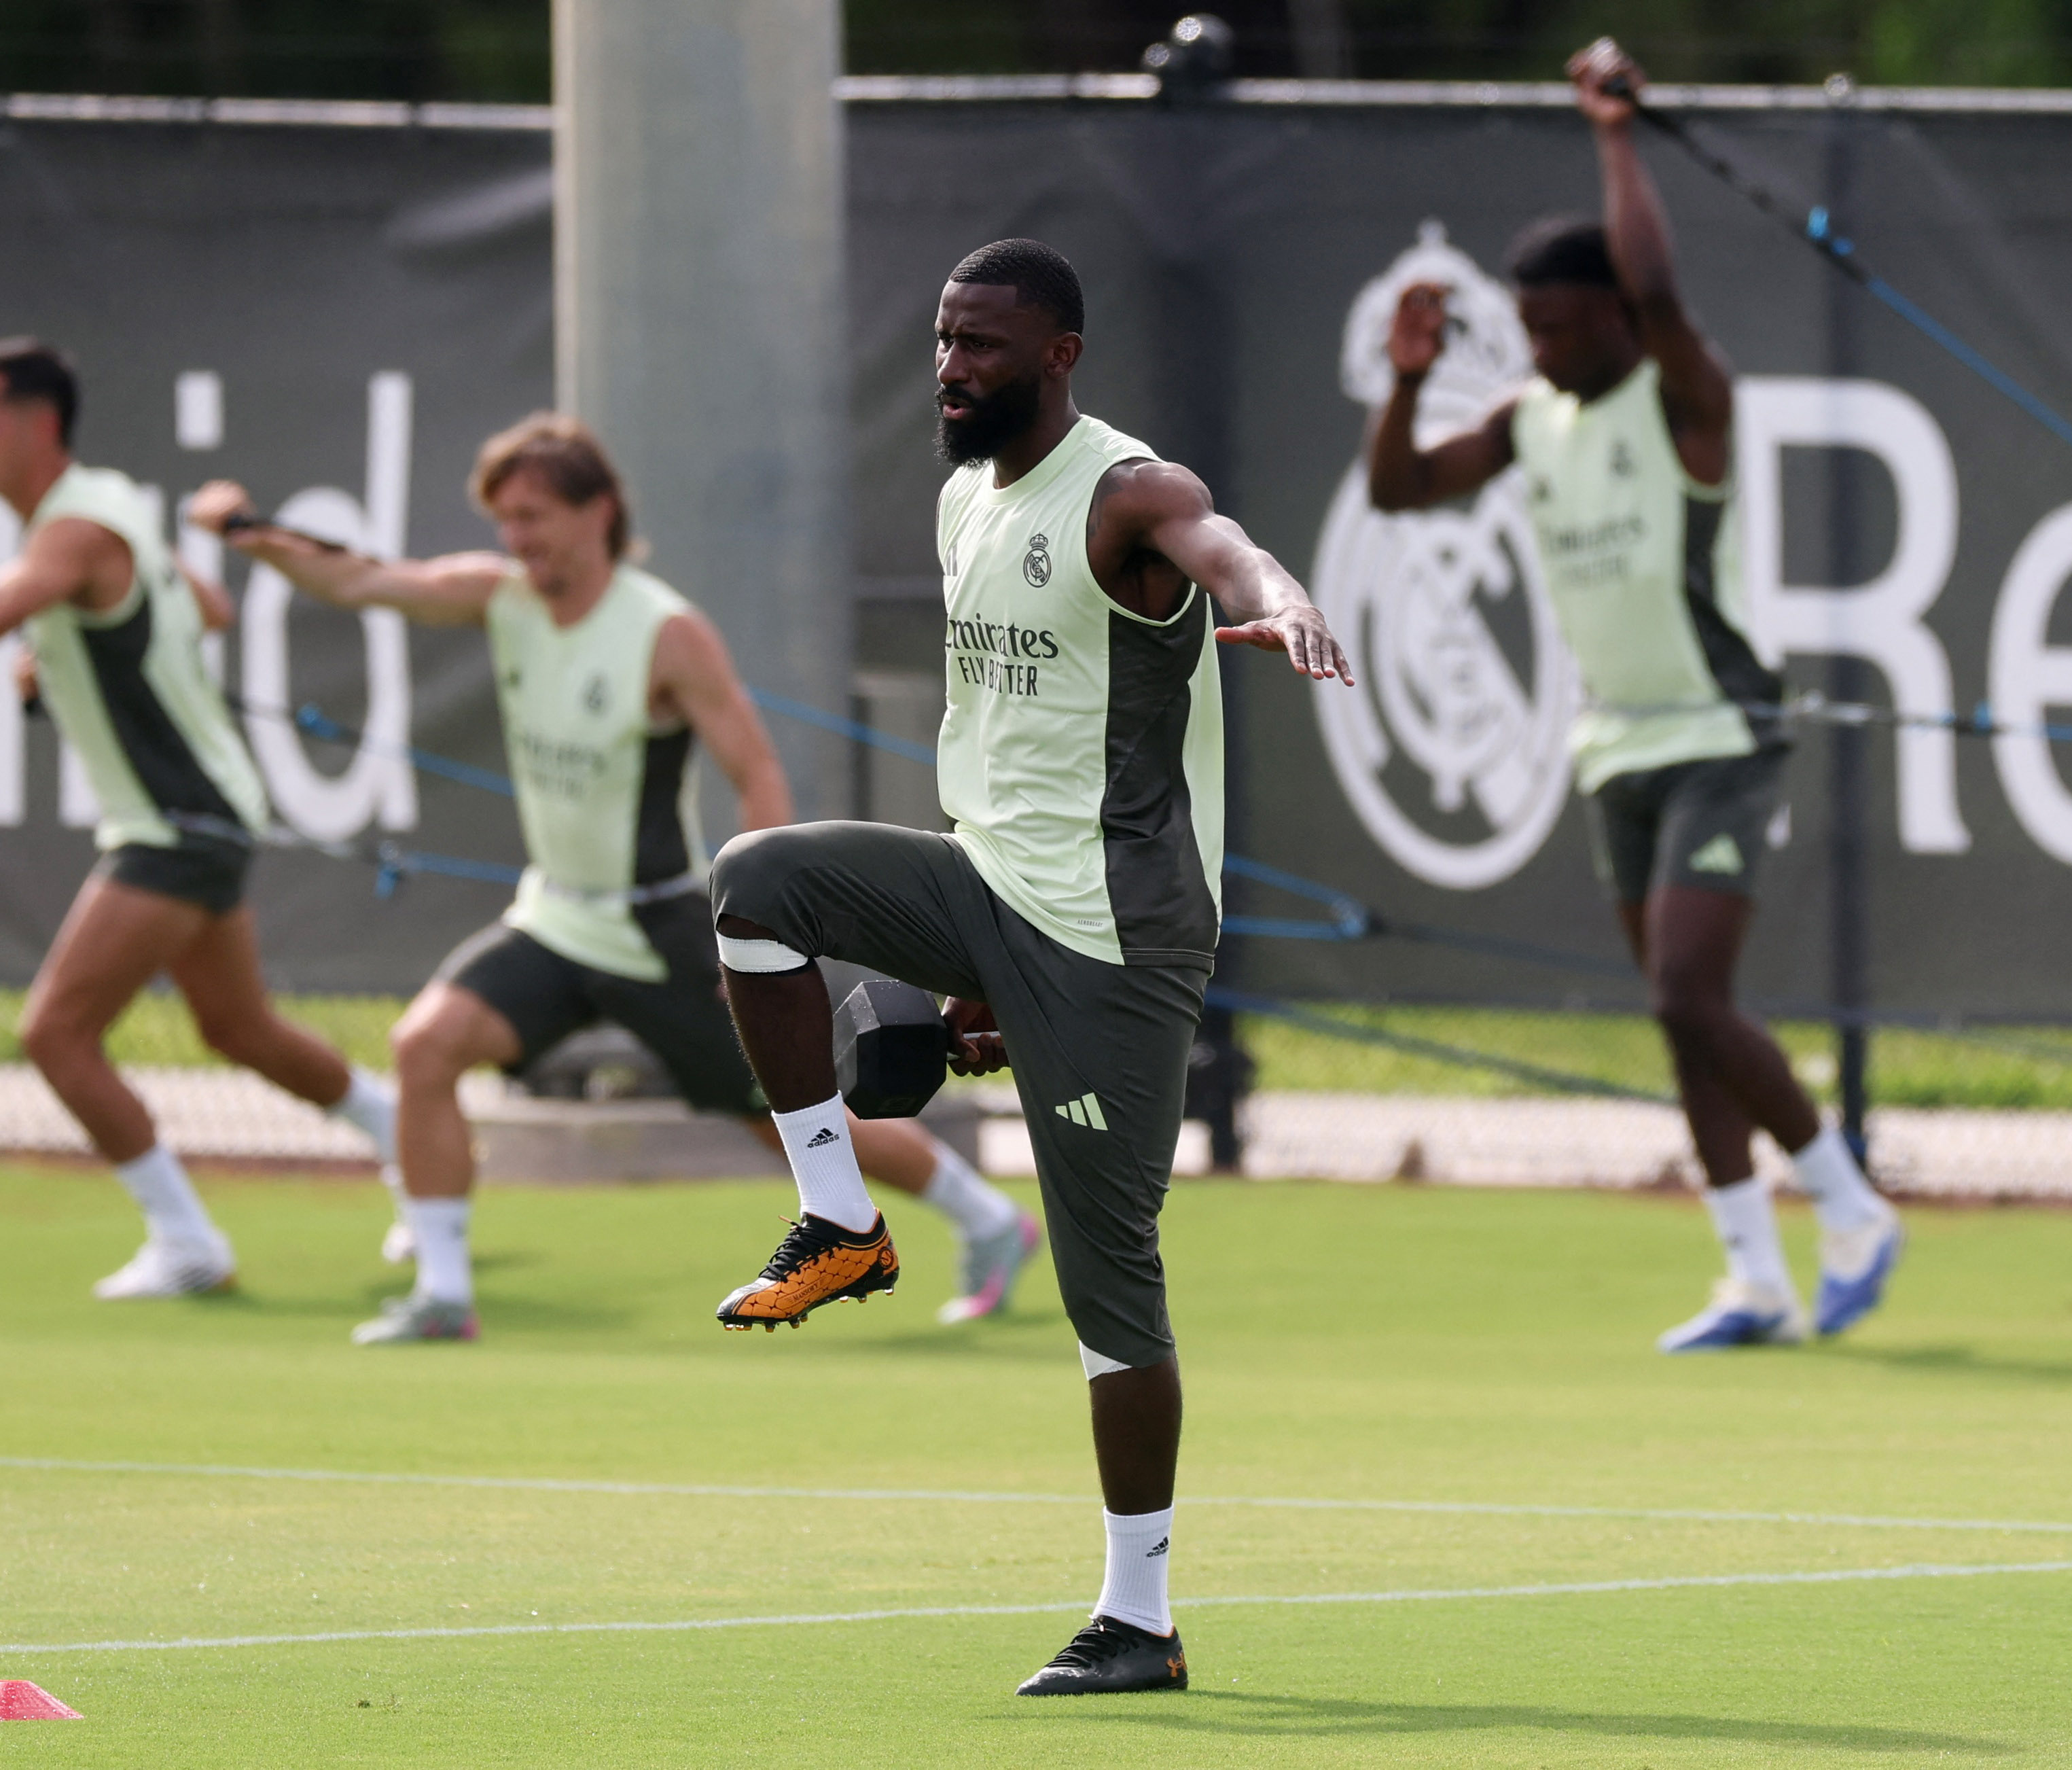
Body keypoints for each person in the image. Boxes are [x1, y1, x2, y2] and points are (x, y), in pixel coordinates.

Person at [708, 238, 1349, 1695]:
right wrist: (968, 956)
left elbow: (1220, 540)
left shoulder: (1124, 491)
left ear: (1059, 354)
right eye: (942, 339)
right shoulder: (958, 500)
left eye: (984, 345)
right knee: (755, 886)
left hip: (1116, 937)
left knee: (1108, 1281)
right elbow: (1009, 740)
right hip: (991, 882)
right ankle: (839, 1219)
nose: (951, 367)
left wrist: (1288, 597)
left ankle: (1141, 1618)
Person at [187, 412, 1036, 1345]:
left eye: (535, 515)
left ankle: (990, 1221)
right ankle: (441, 1293)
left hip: (659, 930)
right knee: (424, 1046)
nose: (517, 538)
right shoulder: (500, 595)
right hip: (554, 919)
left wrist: (762, 935)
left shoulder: (664, 631)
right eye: (505, 519)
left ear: (598, 512)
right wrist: (244, 530)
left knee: (787, 1115)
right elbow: (358, 578)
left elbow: (755, 771)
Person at [1363, 39, 1904, 1353]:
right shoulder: (1528, 420)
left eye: (1562, 324)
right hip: (1615, 746)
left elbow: (1661, 279)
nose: (1542, 347)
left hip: (1721, 732)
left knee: (1685, 993)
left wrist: (1615, 129)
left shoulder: (1683, 401)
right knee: (1681, 1021)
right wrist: (1408, 380)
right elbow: (1397, 491)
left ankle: (1848, 1205)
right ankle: (1752, 1276)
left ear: (1618, 316)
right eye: (1528, 327)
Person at [0, 338, 399, 1299]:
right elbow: (204, 606)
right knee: (238, 1028)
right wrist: (78, 648)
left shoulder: (76, 530)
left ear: (41, 426)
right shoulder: (113, 503)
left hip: (172, 823)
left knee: (55, 1033)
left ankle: (186, 1239)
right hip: (201, 815)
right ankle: (402, 1135)